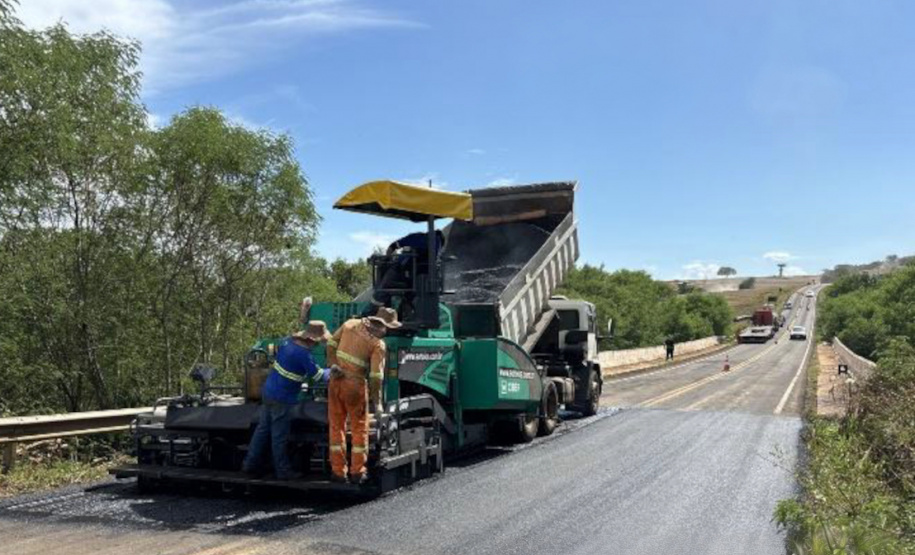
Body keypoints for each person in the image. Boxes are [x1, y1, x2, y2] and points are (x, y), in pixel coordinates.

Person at [242, 320, 331, 480]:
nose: (318, 345)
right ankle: (283, 471)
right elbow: (318, 376)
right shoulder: (303, 354)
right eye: (318, 342)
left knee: (262, 430)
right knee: (279, 436)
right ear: (312, 340)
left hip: (268, 392)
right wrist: (333, 371)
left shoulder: (287, 342)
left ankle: (250, 464)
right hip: (282, 398)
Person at [325, 307, 401, 484]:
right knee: (359, 428)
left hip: (335, 382)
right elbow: (375, 376)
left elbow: (330, 344)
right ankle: (357, 472)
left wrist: (333, 365)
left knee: (336, 427)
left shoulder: (350, 324)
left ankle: (338, 472)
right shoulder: (377, 344)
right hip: (355, 386)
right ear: (383, 326)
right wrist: (378, 402)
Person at [363, 230, 445, 316]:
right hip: (409, 274)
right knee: (402, 294)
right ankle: (396, 313)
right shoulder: (423, 240)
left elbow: (393, 246)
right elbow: (394, 246)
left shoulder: (418, 238)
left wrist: (387, 258)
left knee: (385, 289)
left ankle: (372, 312)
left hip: (406, 273)